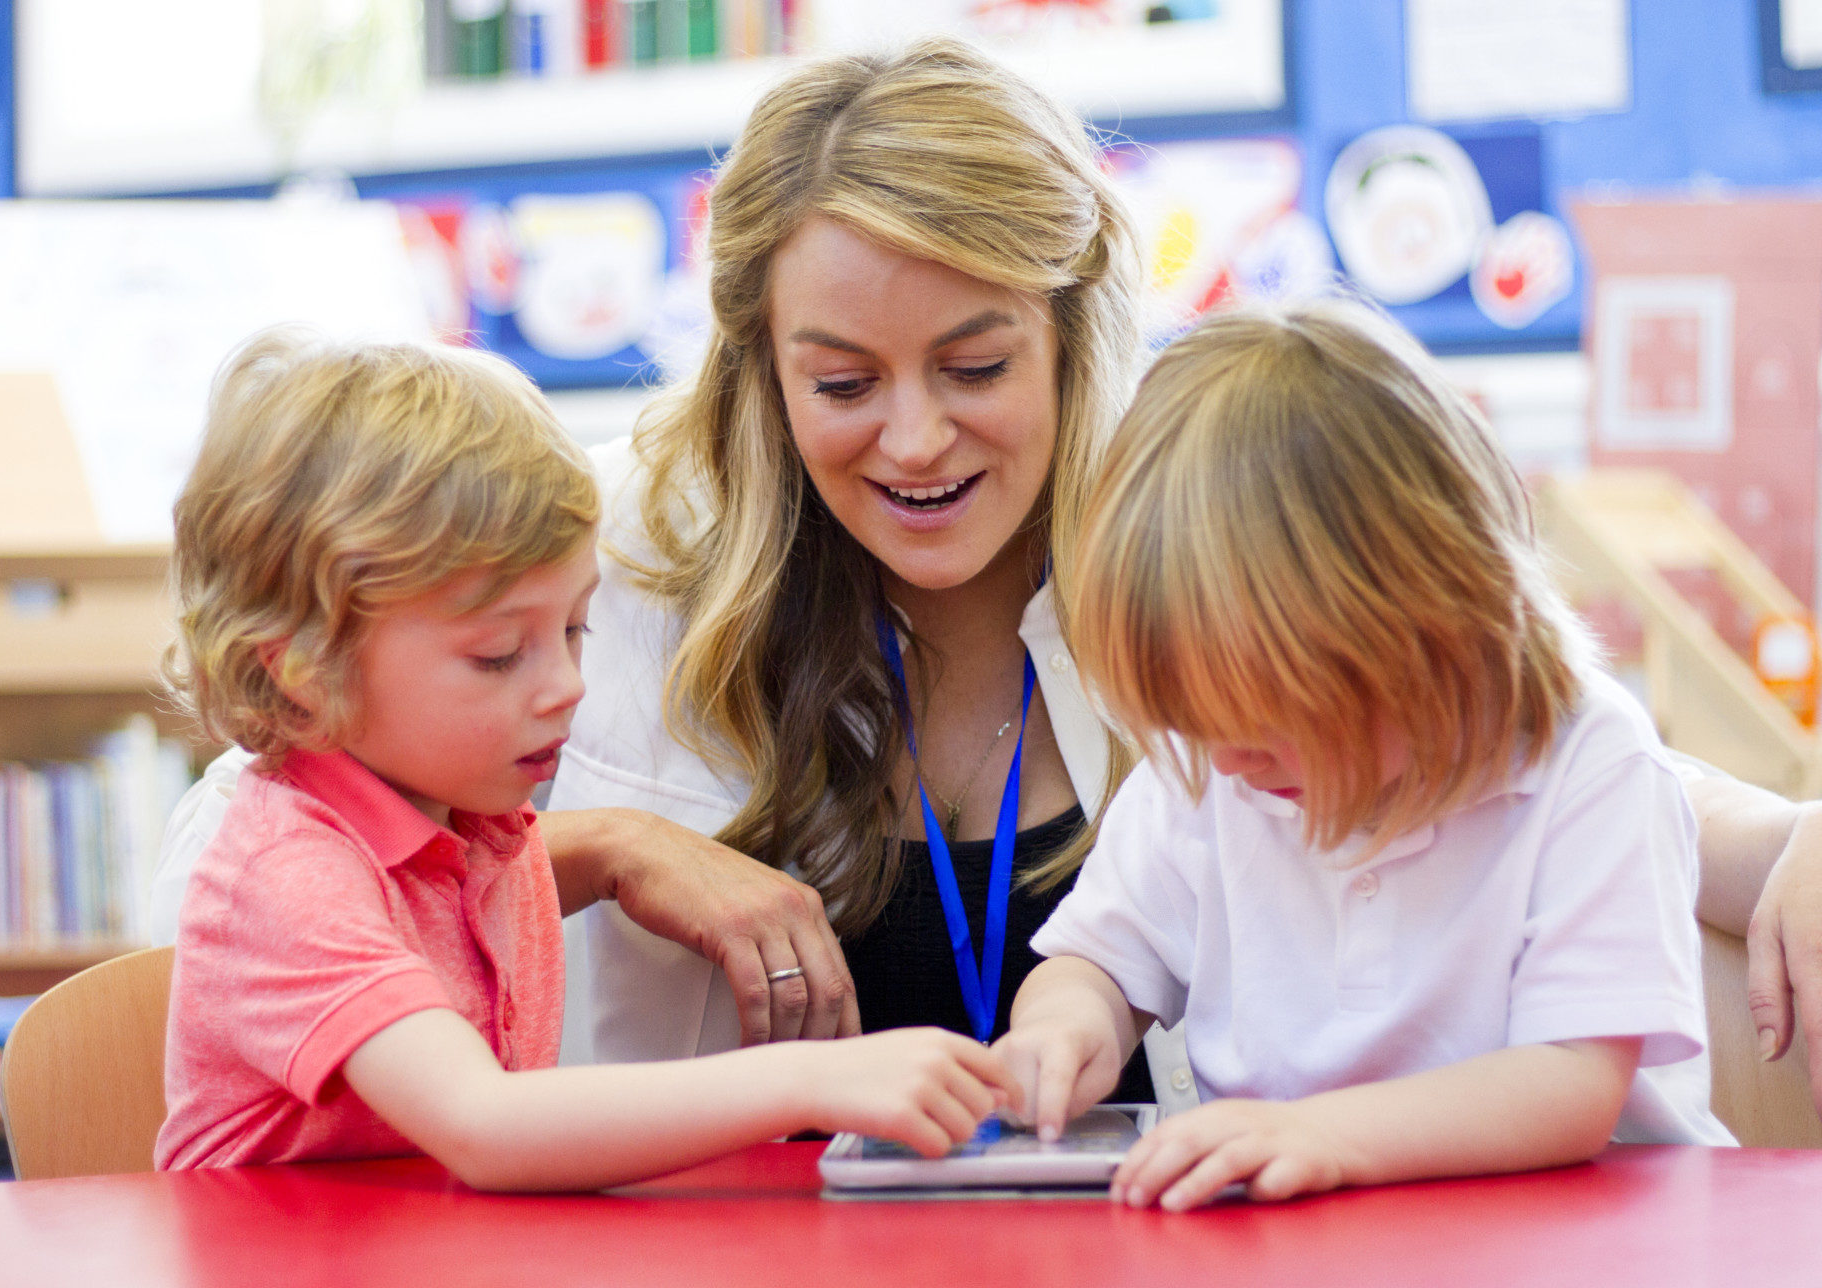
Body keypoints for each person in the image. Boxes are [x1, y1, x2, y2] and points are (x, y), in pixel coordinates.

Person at [153, 39, 1822, 1118]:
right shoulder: (608, 562)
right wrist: (600, 848)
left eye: (973, 362)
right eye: (841, 380)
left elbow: (1511, 752)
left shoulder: (1190, 532)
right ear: (759, 366)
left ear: (1070, 328)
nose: (913, 439)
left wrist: (1798, 841)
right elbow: (239, 840)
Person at [153, 329, 1016, 1185]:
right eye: (498, 654)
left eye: (575, 629)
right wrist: (813, 1082)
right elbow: (486, 1125)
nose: (568, 684)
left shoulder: (473, 826)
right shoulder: (287, 870)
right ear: (301, 672)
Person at [996, 300, 1732, 1213]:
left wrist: (1320, 1133)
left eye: (1268, 722)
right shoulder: (1209, 771)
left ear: (1435, 631)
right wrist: (1066, 1025)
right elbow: (1099, 960)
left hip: (1582, 1245)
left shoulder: (1589, 765)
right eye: (1198, 721)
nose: (1227, 763)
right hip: (1314, 1249)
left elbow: (1572, 1085)